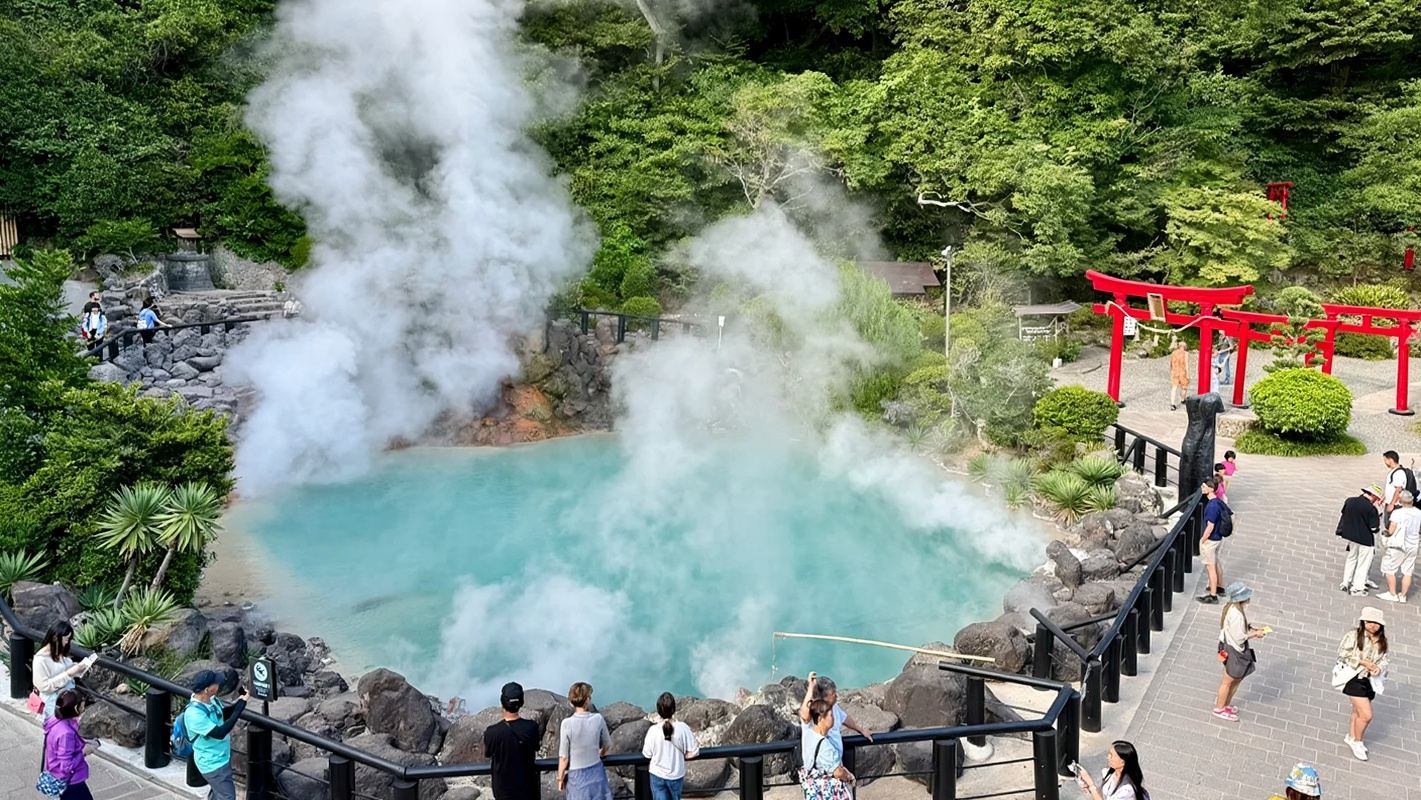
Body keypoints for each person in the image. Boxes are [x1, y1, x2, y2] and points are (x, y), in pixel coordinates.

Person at [183, 670, 249, 800]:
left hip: (220, 756)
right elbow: (220, 732)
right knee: (227, 796)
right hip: (212, 763)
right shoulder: (194, 715)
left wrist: (241, 698)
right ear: (208, 689)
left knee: (218, 793)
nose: (219, 684)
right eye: (216, 683)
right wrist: (242, 705)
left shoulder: (210, 700)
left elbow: (223, 714)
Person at [1336, 607, 1388, 761]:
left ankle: (1351, 736)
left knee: (1357, 712)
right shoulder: (1354, 635)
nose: (1373, 625)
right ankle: (1358, 742)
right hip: (1353, 678)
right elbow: (1342, 653)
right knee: (1367, 715)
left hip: (1370, 680)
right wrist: (1362, 662)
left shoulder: (1382, 640)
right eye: (1369, 622)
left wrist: (1378, 668)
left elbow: (1385, 659)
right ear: (1363, 621)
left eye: (1376, 623)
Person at [1213, 581, 1266, 721]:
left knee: (1234, 680)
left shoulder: (1231, 607)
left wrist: (1249, 628)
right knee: (1228, 681)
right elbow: (1239, 637)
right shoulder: (1236, 614)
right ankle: (1219, 708)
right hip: (1234, 651)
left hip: (1229, 648)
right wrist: (1255, 634)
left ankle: (1225, 705)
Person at [485, 682, 540, 800]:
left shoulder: (492, 732)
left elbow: (488, 753)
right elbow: (535, 747)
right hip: (528, 789)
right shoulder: (532, 727)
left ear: (502, 703)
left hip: (503, 791)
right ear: (521, 703)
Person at [557, 682, 611, 800]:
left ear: (571, 702)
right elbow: (607, 744)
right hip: (597, 772)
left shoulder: (566, 724)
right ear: (587, 700)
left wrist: (560, 779)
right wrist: (601, 753)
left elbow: (564, 757)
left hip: (577, 777)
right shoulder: (598, 719)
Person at [32, 621, 98, 719]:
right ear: (55, 637)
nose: (67, 642)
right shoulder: (40, 659)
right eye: (66, 639)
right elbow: (44, 687)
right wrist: (69, 673)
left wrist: (78, 668)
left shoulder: (58, 651)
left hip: (67, 699)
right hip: (53, 704)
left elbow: (63, 668)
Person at [798, 672, 874, 755]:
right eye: (833, 694)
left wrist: (861, 730)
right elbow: (804, 716)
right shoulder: (814, 711)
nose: (836, 696)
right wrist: (811, 688)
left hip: (836, 761)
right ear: (823, 697)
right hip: (821, 764)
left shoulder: (834, 707)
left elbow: (844, 718)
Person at [642, 692, 699, 800]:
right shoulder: (683, 728)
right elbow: (694, 751)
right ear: (674, 709)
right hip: (676, 775)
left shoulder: (653, 730)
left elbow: (647, 754)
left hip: (657, 775)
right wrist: (685, 756)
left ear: (658, 711)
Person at [43, 689, 96, 800]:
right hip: (70, 781)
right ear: (76, 708)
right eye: (82, 706)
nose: (83, 709)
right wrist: (84, 751)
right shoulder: (66, 733)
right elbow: (66, 766)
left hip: (59, 776)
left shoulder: (56, 721)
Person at [800, 698, 854, 797]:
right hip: (827, 792)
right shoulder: (825, 746)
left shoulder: (809, 735)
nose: (833, 718)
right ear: (820, 719)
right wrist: (848, 777)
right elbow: (837, 772)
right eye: (830, 715)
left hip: (814, 791)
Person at [1336, 486, 1382, 596]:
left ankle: (1345, 582)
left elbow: (1344, 514)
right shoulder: (1371, 509)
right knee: (1363, 563)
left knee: (1351, 558)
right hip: (1366, 539)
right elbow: (1374, 528)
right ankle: (1357, 587)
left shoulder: (1350, 501)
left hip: (1351, 536)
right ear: (1373, 496)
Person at [1379, 490, 1420, 603]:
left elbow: (1391, 531)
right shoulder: (1418, 512)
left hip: (1398, 545)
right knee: (1408, 571)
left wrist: (1385, 534)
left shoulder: (1398, 513)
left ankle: (1393, 593)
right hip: (1413, 544)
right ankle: (1403, 595)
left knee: (1390, 568)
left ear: (1401, 501)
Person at [1073, 740, 1147, 800]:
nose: (1108, 757)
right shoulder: (1110, 773)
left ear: (1122, 762)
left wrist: (1091, 785)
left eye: (1111, 755)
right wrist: (1089, 788)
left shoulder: (1127, 790)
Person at [1196, 477, 1231, 604]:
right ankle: (1220, 587)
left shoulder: (1211, 506)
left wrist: (1202, 540)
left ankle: (1213, 594)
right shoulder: (1219, 502)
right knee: (1216, 563)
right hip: (1218, 538)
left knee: (1210, 567)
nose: (1202, 488)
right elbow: (1231, 514)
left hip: (1211, 539)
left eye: (1204, 486)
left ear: (1211, 489)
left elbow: (1209, 527)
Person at [1168, 340, 1188, 411]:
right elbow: (1186, 364)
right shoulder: (1185, 353)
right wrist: (1188, 374)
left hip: (1174, 372)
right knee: (1184, 387)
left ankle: (1172, 403)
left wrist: (1171, 370)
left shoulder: (1174, 353)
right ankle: (1182, 399)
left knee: (1174, 388)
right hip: (1182, 372)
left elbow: (1170, 362)